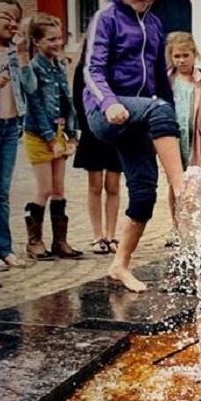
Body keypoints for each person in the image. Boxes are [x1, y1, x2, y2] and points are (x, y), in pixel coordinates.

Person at [83, 0, 184, 292]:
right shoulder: (106, 18)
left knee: (143, 193)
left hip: (140, 118)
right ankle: (183, 189)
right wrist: (109, 103)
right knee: (158, 110)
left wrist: (171, 121)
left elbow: (159, 80)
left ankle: (120, 264)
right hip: (105, 113)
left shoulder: (154, 24)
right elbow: (91, 70)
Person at [23, 13, 83, 260]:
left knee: (59, 188)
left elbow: (66, 102)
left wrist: (71, 134)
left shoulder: (58, 65)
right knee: (45, 188)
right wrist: (50, 139)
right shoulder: (32, 68)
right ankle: (34, 242)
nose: (57, 43)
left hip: (58, 132)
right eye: (51, 39)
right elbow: (35, 106)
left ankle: (60, 241)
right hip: (39, 134)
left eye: (59, 38)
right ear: (37, 42)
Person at [164, 31, 201, 248]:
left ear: (194, 55)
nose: (181, 61)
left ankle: (195, 227)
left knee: (194, 184)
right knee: (174, 183)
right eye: (177, 56)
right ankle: (176, 227)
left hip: (195, 140)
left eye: (185, 55)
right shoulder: (167, 81)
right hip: (173, 141)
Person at [73, 38, 123, 255]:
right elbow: (78, 102)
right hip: (93, 133)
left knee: (113, 185)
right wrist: (89, 127)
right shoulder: (82, 71)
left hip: (116, 132)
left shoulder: (120, 69)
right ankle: (97, 236)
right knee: (95, 185)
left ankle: (111, 235)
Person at [0, 0, 34, 269]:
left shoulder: (13, 51)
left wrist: (22, 54)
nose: (11, 23)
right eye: (4, 17)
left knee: (2, 192)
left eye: (15, 19)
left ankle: (4, 249)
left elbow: (30, 87)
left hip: (11, 125)